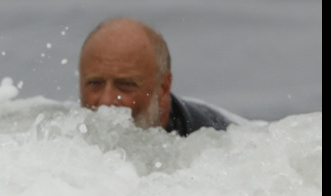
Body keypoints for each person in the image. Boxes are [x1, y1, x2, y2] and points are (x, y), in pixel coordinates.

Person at [79, 17, 233, 136]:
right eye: (95, 83)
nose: (106, 101)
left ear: (163, 88)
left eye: (126, 85)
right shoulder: (65, 134)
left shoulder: (210, 143)